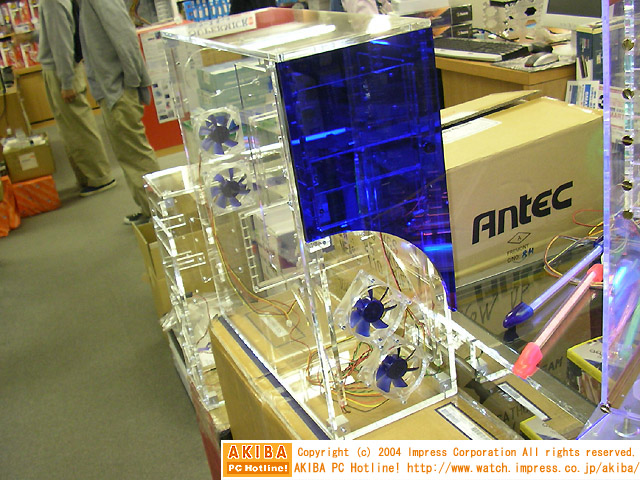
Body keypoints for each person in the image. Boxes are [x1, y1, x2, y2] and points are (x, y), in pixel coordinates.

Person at [74, 0, 160, 225]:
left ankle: (158, 213)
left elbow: (125, 38)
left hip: (118, 89)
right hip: (113, 88)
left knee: (135, 153)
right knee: (128, 153)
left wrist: (130, 82)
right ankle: (150, 209)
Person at [38, 0, 116, 197]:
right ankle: (89, 176)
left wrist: (66, 82)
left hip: (61, 70)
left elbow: (62, 42)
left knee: (78, 127)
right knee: (71, 128)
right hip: (61, 68)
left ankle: (100, 177)